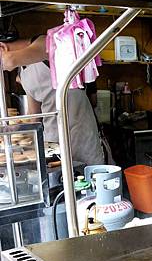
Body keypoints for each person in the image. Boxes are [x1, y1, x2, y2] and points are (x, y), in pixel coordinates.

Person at [0, 35, 104, 165]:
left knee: (86, 176)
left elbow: (13, 59)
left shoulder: (44, 42)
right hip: (52, 139)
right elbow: (34, 114)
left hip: (79, 129)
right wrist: (16, 129)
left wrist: (8, 61)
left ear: (2, 47)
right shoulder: (23, 71)